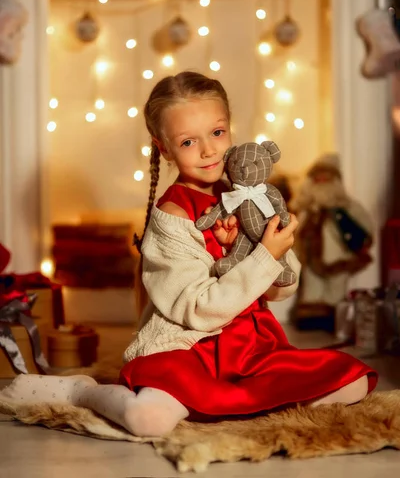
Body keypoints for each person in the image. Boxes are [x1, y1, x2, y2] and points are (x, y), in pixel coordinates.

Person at [0, 72, 377, 437]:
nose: (210, 150)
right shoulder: (172, 218)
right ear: (163, 147)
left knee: (353, 382)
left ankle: (237, 401)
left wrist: (272, 251)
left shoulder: (246, 197)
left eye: (217, 133)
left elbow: (281, 290)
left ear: (230, 127)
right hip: (189, 345)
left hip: (249, 344)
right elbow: (198, 311)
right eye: (187, 142)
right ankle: (81, 391)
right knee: (148, 418)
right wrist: (263, 254)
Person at [291, 153, 374, 330]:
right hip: (312, 259)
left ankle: (334, 319)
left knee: (336, 289)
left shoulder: (347, 207)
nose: (321, 180)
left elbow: (365, 227)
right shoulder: (308, 209)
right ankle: (312, 319)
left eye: (326, 177)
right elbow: (298, 230)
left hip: (339, 259)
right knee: (312, 289)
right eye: (317, 177)